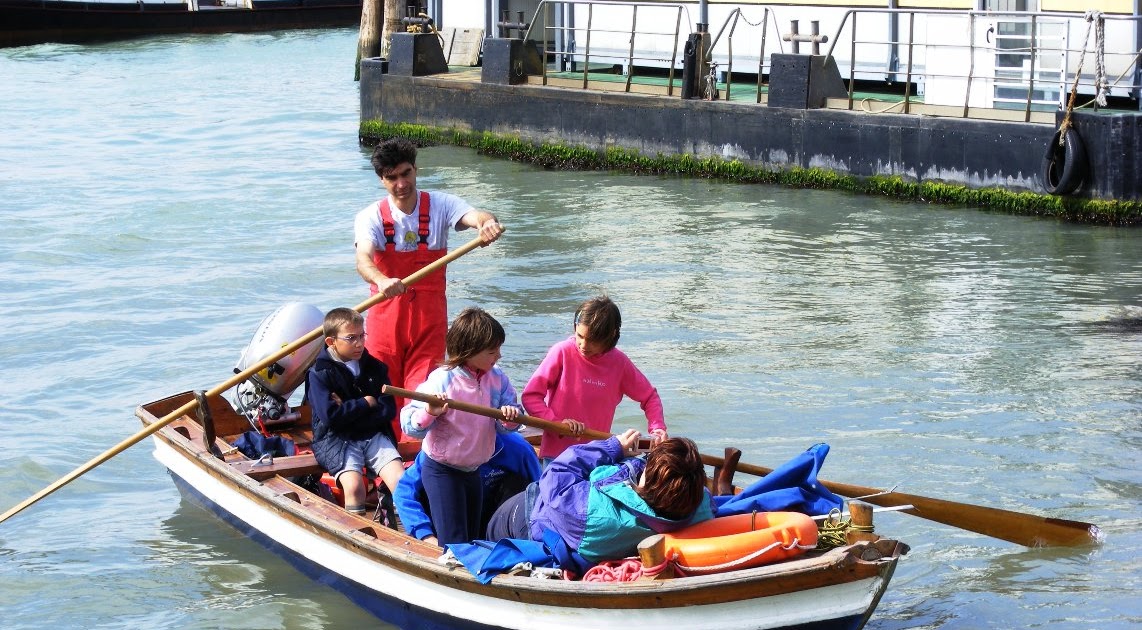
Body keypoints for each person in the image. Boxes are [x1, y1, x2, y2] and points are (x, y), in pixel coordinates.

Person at [354, 138, 505, 439]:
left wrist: (486, 224)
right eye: (392, 177)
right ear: (382, 180)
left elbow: (477, 216)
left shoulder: (441, 205)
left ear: (415, 169)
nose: (401, 183)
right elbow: (363, 260)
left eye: (406, 173)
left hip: (429, 321)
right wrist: (382, 280)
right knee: (384, 391)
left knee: (423, 392)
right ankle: (385, 457)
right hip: (386, 319)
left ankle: (417, 458)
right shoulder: (370, 217)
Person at [485, 431, 714, 576]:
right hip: (566, 518)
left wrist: (613, 447)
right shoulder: (700, 505)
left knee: (496, 507)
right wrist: (660, 459)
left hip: (527, 515)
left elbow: (556, 474)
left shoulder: (597, 515)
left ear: (648, 482)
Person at [400, 307, 524, 546]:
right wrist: (429, 412)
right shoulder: (442, 379)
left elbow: (510, 423)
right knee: (454, 541)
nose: (498, 356)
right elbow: (409, 424)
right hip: (442, 470)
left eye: (499, 349)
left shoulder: (497, 378)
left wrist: (510, 417)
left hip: (474, 469)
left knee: (473, 535)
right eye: (492, 351)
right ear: (469, 351)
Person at [522, 295, 668, 463]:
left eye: (592, 341)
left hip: (597, 456)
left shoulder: (619, 363)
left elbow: (650, 397)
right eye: (580, 336)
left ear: (610, 337)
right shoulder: (562, 352)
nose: (583, 345)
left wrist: (657, 430)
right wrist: (556, 424)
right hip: (557, 455)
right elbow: (531, 396)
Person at [306, 308, 403, 516]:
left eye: (362, 336)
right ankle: (358, 536)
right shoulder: (319, 374)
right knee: (354, 487)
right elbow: (330, 417)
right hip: (335, 439)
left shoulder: (376, 368)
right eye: (351, 338)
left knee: (401, 481)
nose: (359, 343)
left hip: (373, 435)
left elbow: (388, 409)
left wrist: (348, 410)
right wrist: (366, 403)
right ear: (331, 342)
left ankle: (416, 535)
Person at [394, 431, 542, 546]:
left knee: (521, 487)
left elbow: (539, 495)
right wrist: (425, 535)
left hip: (495, 523)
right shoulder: (440, 448)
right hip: (448, 518)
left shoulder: (518, 449)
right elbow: (404, 492)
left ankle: (507, 549)